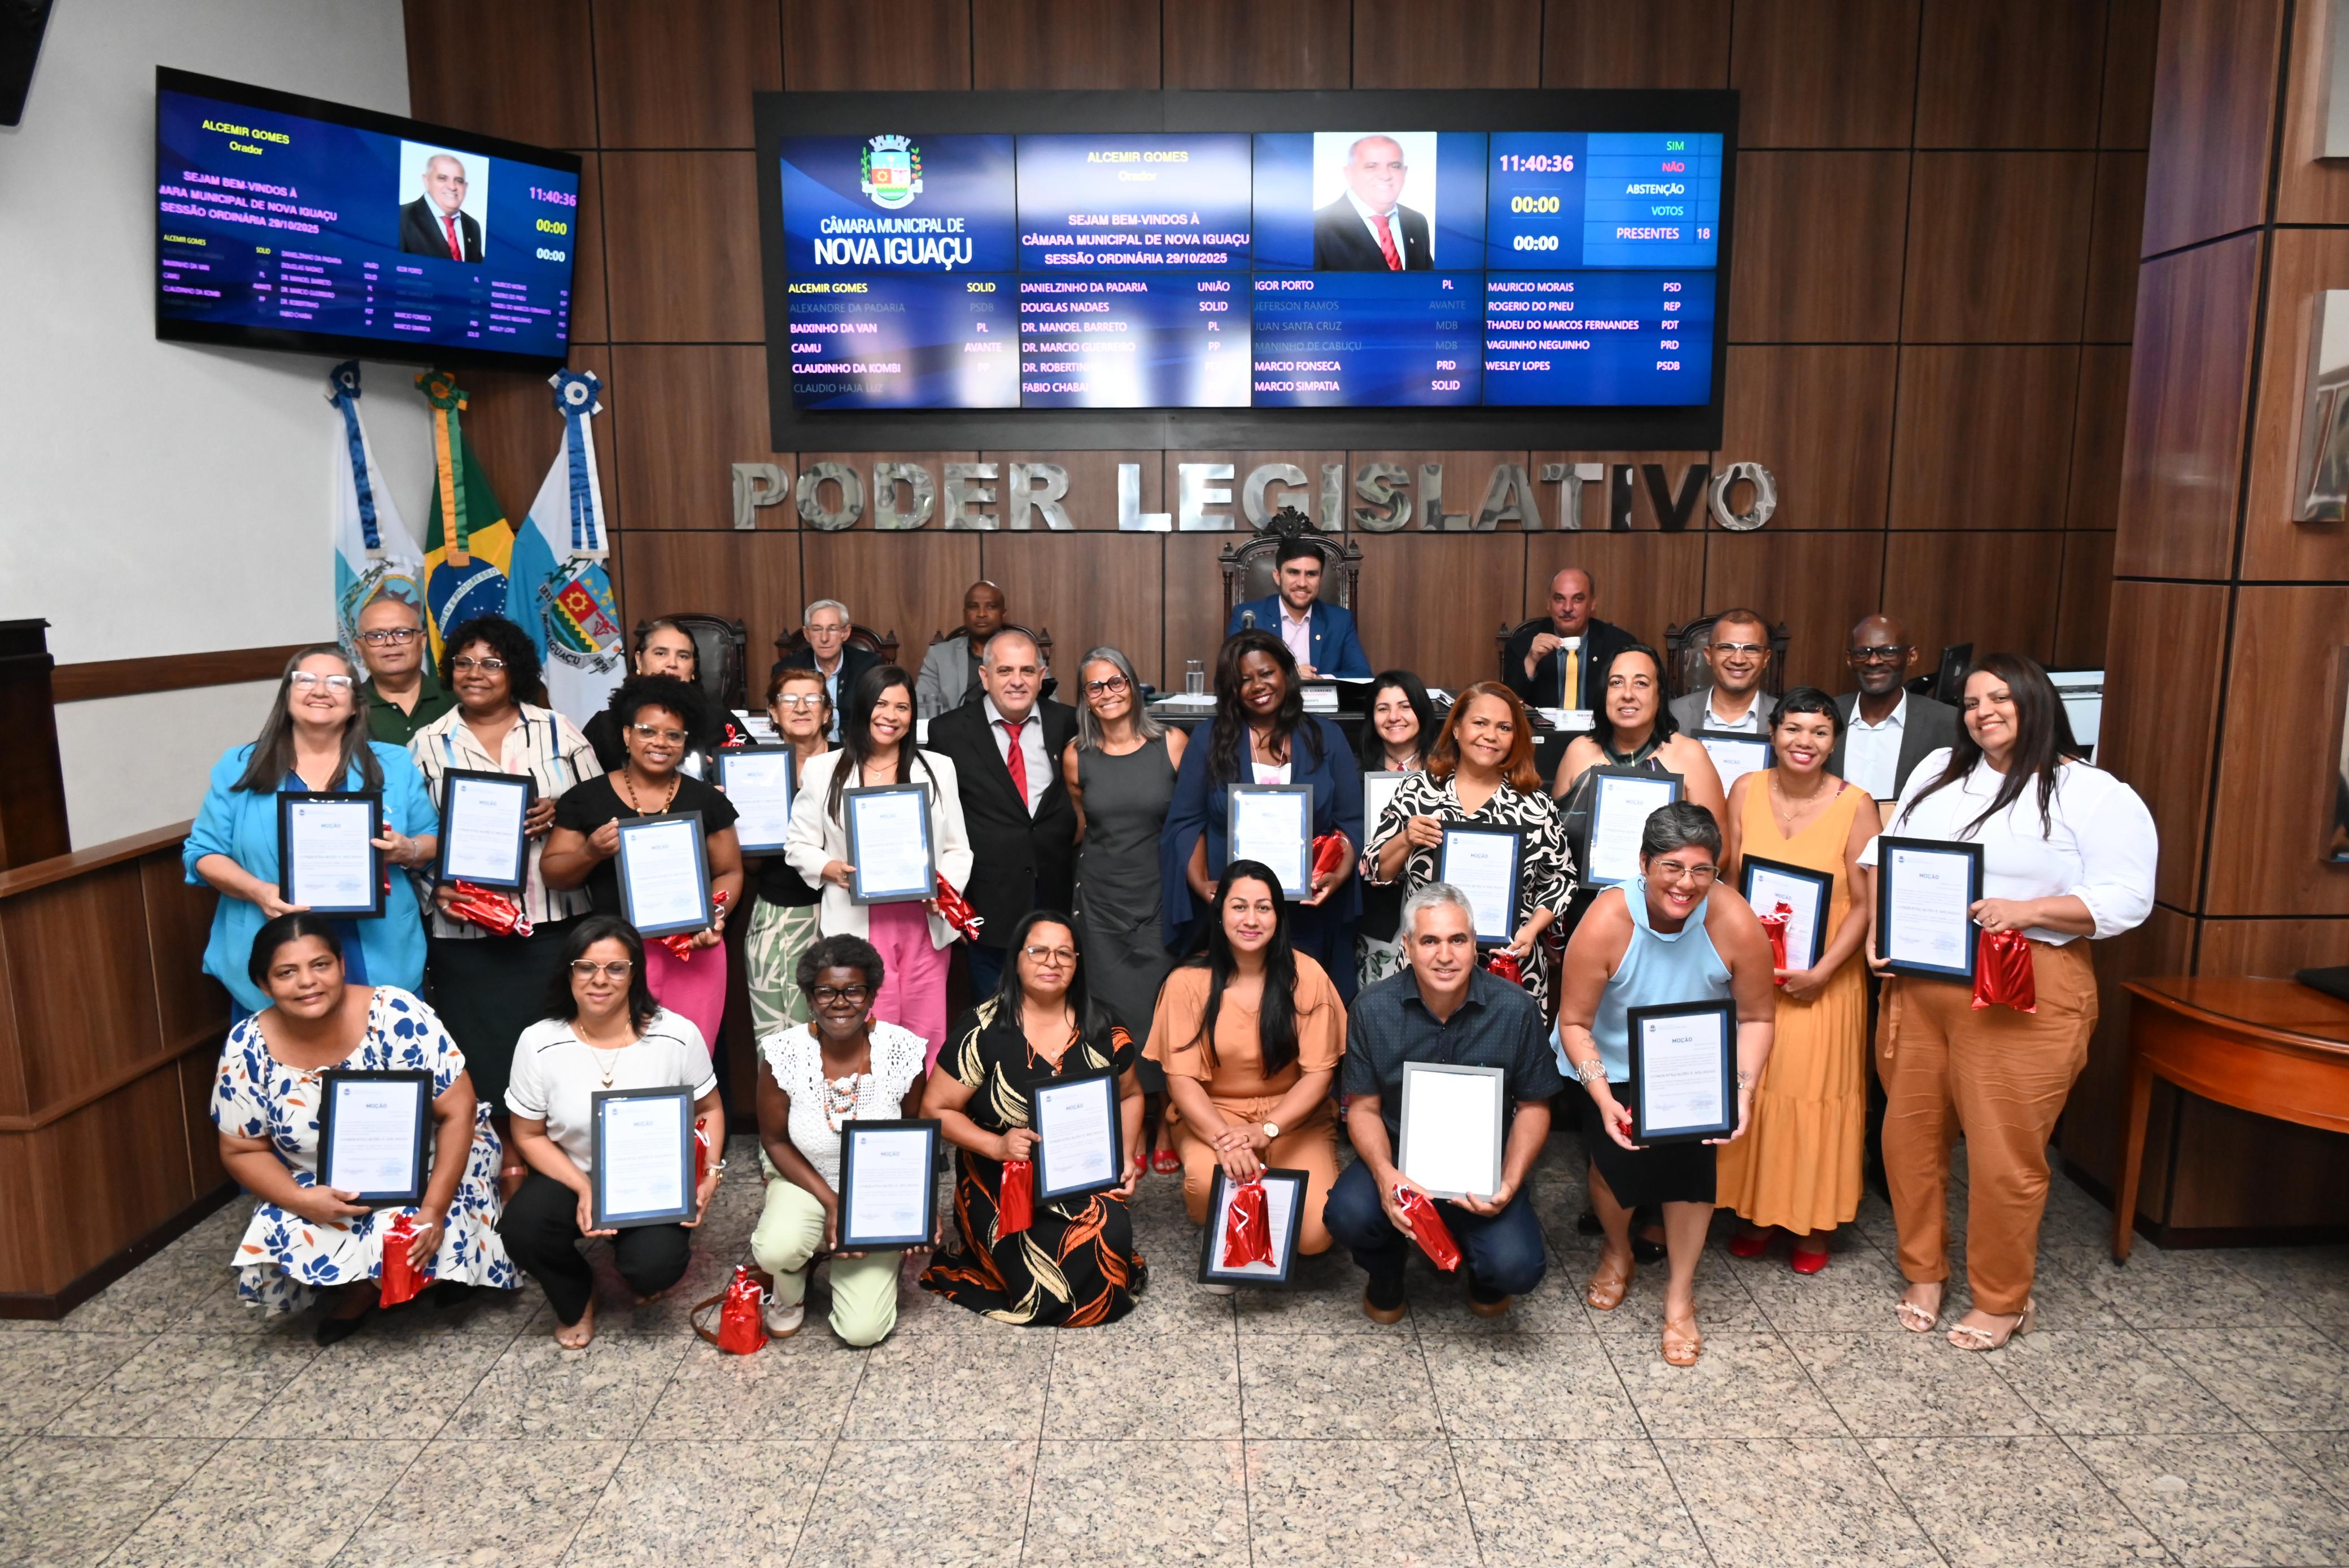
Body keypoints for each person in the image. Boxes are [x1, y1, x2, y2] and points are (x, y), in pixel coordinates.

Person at [1864, 654, 2155, 1351]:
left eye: (1999, 697)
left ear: (2035, 702)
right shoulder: (1937, 771)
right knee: (1906, 1138)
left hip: (2021, 985)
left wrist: (2026, 909)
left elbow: (2126, 896)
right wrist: (1879, 929)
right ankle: (1923, 1270)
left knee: (2002, 1154)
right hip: (1922, 984)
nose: (1982, 711)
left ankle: (2001, 1296)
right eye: (1970, 701)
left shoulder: (2090, 791)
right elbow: (1885, 851)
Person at [211, 913, 517, 1342]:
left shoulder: (394, 1011)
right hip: (320, 1177)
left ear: (342, 964)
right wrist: (303, 1199)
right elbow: (241, 1149)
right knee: (286, 1223)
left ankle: (393, 1282)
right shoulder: (246, 1044)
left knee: (409, 1226)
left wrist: (432, 1210)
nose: (307, 982)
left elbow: (458, 1110)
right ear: (263, 984)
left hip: (430, 1159)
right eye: (287, 972)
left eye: (320, 965)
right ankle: (370, 1282)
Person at [1554, 803, 1778, 1365]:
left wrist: (1742, 1089)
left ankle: (1679, 1295)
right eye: (1671, 867)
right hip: (1611, 1066)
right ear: (1643, 863)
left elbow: (1756, 1016)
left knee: (1689, 1178)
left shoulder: (1734, 920)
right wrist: (1601, 1095)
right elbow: (1573, 1022)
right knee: (1611, 1170)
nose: (1686, 883)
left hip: (1695, 1066)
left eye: (1701, 870)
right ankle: (1616, 1246)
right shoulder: (1607, 919)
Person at [1328, 884, 1561, 1321]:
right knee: (1348, 1214)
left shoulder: (1516, 1009)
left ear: (1475, 945)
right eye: (1430, 941)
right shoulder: (1371, 1009)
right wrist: (1385, 1176)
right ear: (1409, 946)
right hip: (1400, 1158)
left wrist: (1508, 1183)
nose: (1445, 954)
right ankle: (1387, 1271)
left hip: (1483, 1167)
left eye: (1458, 939)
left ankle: (1484, 1275)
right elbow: (1361, 1107)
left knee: (1517, 1267)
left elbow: (1534, 1106)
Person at [409, 614, 600, 1129]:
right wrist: (437, 888)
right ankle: (498, 1161)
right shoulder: (427, 745)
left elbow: (602, 812)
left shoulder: (557, 730)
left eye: (491, 662)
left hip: (553, 924)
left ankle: (559, 1156)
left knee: (559, 1048)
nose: (476, 673)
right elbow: (413, 839)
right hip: (466, 933)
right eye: (464, 662)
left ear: (514, 670)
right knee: (483, 1052)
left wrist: (560, 811)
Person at [1714, 689, 1880, 1271]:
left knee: (1810, 1097)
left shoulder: (1855, 805)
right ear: (1772, 732)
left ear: (1834, 741)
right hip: (1752, 980)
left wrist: (1823, 971)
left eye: (1817, 732)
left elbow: (1864, 904)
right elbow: (1727, 880)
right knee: (1754, 1089)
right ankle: (1755, 1213)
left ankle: (1811, 1224)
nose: (1803, 742)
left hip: (1823, 982)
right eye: (1792, 728)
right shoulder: (1745, 791)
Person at [501, 916, 724, 1347]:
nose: (599, 980)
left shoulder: (676, 1035)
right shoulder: (538, 1042)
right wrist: (585, 1188)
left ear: (634, 973)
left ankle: (638, 1264)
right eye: (586, 967)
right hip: (573, 1173)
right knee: (522, 1228)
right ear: (569, 972)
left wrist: (712, 1174)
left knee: (655, 1266)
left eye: (615, 968)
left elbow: (711, 1109)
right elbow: (528, 1135)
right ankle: (578, 1291)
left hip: (653, 1182)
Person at [187, 645, 439, 1020]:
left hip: (376, 947)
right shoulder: (240, 765)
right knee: (284, 1075)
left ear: (356, 703)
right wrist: (260, 892)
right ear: (287, 695)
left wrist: (407, 848)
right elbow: (203, 852)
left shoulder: (394, 762)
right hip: (271, 941)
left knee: (383, 1072)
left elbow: (431, 839)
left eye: (337, 682)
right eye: (306, 680)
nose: (320, 690)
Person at [922, 910, 1147, 1325]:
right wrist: (996, 1144)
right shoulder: (982, 1028)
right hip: (1003, 1180)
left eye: (1065, 953)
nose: (1052, 961)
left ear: (1078, 964)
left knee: (1109, 1235)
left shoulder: (1103, 1024)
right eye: (1038, 950)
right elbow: (935, 1110)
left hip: (1081, 1173)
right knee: (1030, 1260)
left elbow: (1130, 1095)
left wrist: (1127, 1156)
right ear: (1017, 960)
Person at [1149, 861, 1345, 1274]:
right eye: (1239, 907)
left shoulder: (1306, 974)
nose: (1251, 919)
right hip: (1215, 1115)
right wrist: (1227, 1140)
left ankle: (1260, 1228)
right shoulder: (1187, 981)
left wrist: (1266, 1129)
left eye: (1264, 907)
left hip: (1294, 1117)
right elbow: (1181, 1079)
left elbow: (1319, 1075)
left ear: (1279, 915)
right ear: (1220, 913)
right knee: (1206, 1185)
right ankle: (1231, 1238)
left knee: (1313, 1236)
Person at [540, 674, 745, 1048]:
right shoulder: (587, 798)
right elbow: (553, 872)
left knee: (690, 1059)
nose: (660, 743)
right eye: (648, 731)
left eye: (674, 735)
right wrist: (591, 852)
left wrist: (715, 914)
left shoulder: (707, 799)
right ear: (626, 734)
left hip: (694, 949)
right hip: (614, 954)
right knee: (621, 1058)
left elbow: (730, 871)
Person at [785, 665, 973, 1067]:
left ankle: (921, 1124)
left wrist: (943, 891)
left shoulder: (940, 768)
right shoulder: (823, 770)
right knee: (868, 1027)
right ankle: (872, 1120)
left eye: (903, 707)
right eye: (882, 704)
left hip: (923, 921)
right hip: (856, 922)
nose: (891, 715)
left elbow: (959, 849)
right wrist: (832, 868)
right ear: (863, 707)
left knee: (927, 1030)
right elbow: (798, 845)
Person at [750, 933, 929, 1344]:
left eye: (854, 990)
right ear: (810, 999)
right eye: (826, 991)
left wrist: (916, 1211)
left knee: (863, 1332)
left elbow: (914, 1135)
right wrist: (834, 1206)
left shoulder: (904, 1051)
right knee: (777, 1247)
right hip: (806, 1184)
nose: (840, 1002)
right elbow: (774, 1141)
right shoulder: (783, 1054)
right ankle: (792, 1281)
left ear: (871, 996)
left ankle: (869, 1256)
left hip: (879, 1197)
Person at [1162, 630, 1364, 991]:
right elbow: (1187, 823)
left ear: (1286, 672)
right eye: (1244, 680)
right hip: (1235, 917)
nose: (1258, 685)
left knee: (1302, 1015)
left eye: (1267, 673)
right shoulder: (1209, 739)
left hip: (1307, 914)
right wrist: (1202, 884)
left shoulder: (1327, 737)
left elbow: (1349, 824)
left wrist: (1338, 874)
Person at [1364, 682, 1574, 1011]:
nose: (1491, 735)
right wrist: (1406, 838)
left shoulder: (1536, 805)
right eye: (1480, 723)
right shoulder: (1418, 792)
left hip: (1509, 964)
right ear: (1458, 729)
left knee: (1506, 1060)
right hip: (1430, 963)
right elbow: (1376, 867)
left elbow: (1560, 878)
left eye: (1504, 728)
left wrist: (1532, 930)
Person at [1064, 645, 1189, 1174]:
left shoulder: (1173, 744)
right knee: (1113, 1018)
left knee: (1165, 1014)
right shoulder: (1076, 755)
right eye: (1096, 686)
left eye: (1117, 682)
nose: (1109, 693)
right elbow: (1081, 829)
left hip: (1160, 898)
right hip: (1101, 904)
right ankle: (1128, 1123)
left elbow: (1187, 828)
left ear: (1135, 686)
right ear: (1085, 699)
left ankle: (1165, 1121)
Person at [925, 629, 1080, 998]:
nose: (1016, 681)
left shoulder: (1070, 724)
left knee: (1055, 1015)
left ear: (1042, 677)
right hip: (985, 910)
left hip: (1056, 902)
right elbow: (936, 827)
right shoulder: (949, 732)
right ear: (984, 676)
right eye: (1005, 670)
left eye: (1027, 671)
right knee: (993, 1024)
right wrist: (956, 914)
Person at [1553, 644, 1730, 918]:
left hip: (1666, 914)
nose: (1627, 695)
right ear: (1604, 694)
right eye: (1616, 683)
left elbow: (1722, 852)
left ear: (1659, 695)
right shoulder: (1579, 751)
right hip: (1581, 913)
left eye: (1641, 683)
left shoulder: (1690, 756)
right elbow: (1554, 845)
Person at [738, 667, 833, 1036]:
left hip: (844, 911)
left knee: (839, 1033)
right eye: (789, 699)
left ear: (827, 712)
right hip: (779, 915)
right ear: (773, 713)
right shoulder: (751, 770)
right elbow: (750, 862)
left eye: (812, 699)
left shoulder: (854, 761)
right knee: (780, 1038)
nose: (801, 707)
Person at [1353, 670, 1437, 989]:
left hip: (1435, 903)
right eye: (1382, 708)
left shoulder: (1450, 771)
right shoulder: (1353, 772)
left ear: (1421, 711)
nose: (1394, 717)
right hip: (1377, 913)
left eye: (1404, 706)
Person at [1827, 613, 1961, 802]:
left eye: (1888, 651)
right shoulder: (1826, 716)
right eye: (1862, 653)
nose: (1873, 661)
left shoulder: (1947, 722)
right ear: (1850, 659)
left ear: (1911, 656)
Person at [582, 618, 741, 774]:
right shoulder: (603, 726)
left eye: (683, 656)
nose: (672, 663)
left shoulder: (722, 722)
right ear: (639, 661)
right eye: (661, 653)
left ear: (693, 668)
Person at [1224, 535, 1372, 679]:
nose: (1302, 583)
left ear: (1320, 579)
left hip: (1321, 703)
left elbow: (1363, 675)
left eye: (1311, 574)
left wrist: (1319, 680)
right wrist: (1288, 676)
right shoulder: (1249, 618)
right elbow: (1226, 678)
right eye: (1293, 572)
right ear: (1277, 576)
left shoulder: (1340, 620)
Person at [1503, 567, 1639, 712]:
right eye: (1559, 599)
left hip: (1600, 733)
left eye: (1578, 599)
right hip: (1542, 733)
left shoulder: (1620, 645)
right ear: (1549, 603)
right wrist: (1531, 661)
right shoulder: (1521, 644)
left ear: (1593, 604)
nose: (1567, 608)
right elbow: (1507, 708)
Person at [1312, 133, 1433, 272]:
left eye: (1394, 166)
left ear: (1405, 172)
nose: (1385, 176)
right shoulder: (1316, 227)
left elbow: (1430, 285)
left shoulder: (1417, 222)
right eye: (1371, 166)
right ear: (1349, 173)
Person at [353, 592, 455, 745]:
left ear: (422, 642)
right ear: (359, 648)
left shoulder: (457, 697)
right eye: (376, 636)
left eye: (402, 633)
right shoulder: (348, 706)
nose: (390, 642)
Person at [775, 599, 881, 741]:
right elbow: (781, 720)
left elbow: (878, 716)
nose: (824, 638)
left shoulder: (869, 667)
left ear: (846, 632)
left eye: (832, 629)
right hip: (806, 750)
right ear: (807, 634)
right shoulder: (787, 671)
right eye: (818, 629)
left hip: (856, 751)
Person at [1667, 609, 1775, 734]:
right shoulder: (1673, 714)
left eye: (1751, 649)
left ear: (1766, 658)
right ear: (1709, 655)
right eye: (1726, 648)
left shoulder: (1786, 716)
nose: (1738, 660)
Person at [916, 579, 1007, 718]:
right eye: (973, 607)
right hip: (954, 734)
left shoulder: (1026, 653)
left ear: (1003, 614)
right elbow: (923, 708)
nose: (981, 614)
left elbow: (1049, 705)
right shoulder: (940, 655)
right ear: (965, 614)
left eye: (991, 607)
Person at [399, 152, 483, 262]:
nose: (452, 187)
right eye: (442, 178)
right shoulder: (402, 217)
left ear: (465, 186)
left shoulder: (473, 225)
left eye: (459, 181)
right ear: (426, 180)